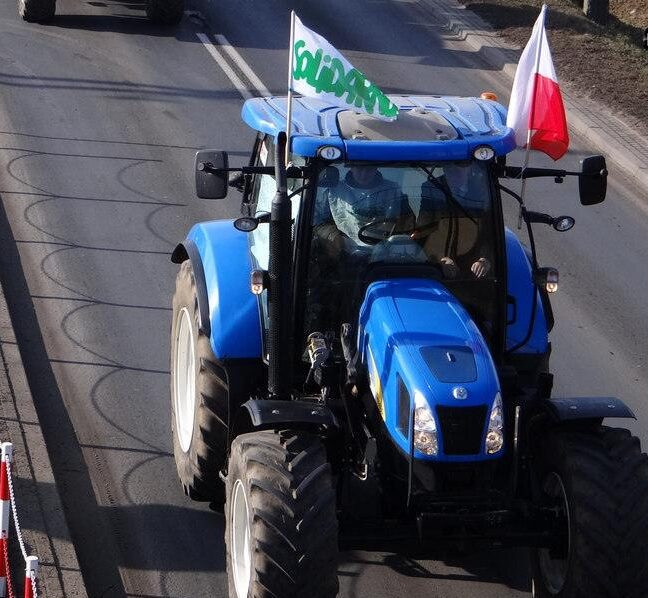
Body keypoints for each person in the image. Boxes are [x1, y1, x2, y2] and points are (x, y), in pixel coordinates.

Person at [416, 163, 492, 279]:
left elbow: (489, 232)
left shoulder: (483, 190)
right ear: (445, 168)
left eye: (460, 167)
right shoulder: (431, 188)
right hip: (440, 267)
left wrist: (484, 259)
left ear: (469, 167)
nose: (455, 172)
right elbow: (423, 231)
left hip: (472, 270)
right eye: (450, 167)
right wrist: (440, 258)